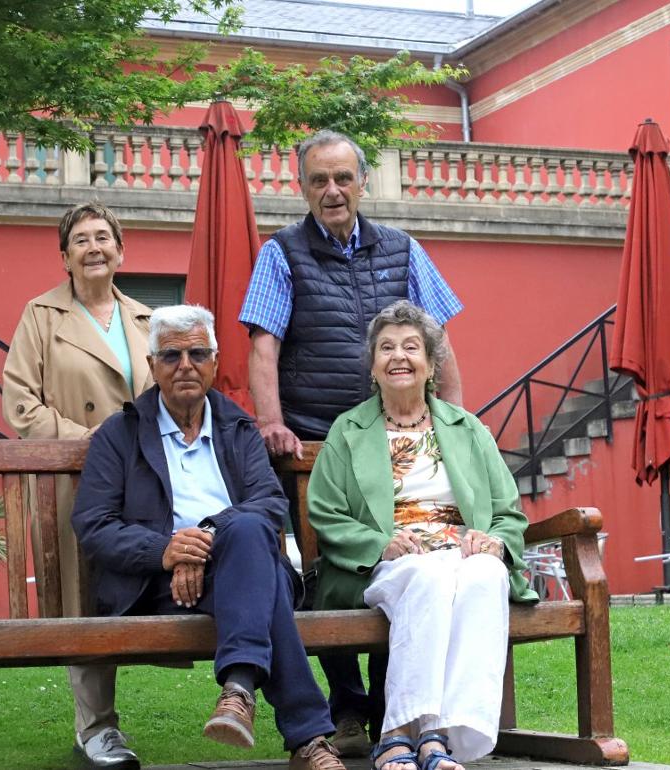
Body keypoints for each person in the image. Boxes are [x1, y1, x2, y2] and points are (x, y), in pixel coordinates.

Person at [238, 129, 466, 754]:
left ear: (363, 182)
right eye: (319, 180)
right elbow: (264, 345)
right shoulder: (281, 252)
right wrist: (270, 422)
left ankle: (395, 701)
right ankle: (346, 708)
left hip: (397, 435)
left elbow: (437, 341)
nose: (332, 191)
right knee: (328, 568)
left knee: (404, 557)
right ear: (303, 187)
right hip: (315, 444)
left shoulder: (403, 248)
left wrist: (456, 425)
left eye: (343, 178)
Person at [71, 305, 346, 770]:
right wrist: (165, 551)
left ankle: (241, 690)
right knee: (267, 583)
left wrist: (203, 539)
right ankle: (307, 737)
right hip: (157, 586)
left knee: (246, 532)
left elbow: (268, 503)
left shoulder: (238, 428)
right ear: (153, 365)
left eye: (198, 353)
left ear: (215, 362)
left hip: (233, 568)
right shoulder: (120, 434)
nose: (186, 365)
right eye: (172, 355)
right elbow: (93, 523)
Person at [305, 301, 538, 770]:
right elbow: (325, 513)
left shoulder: (467, 428)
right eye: (386, 347)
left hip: (460, 552)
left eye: (411, 347)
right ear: (372, 365)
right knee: (427, 578)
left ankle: (447, 736)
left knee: (486, 577)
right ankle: (403, 730)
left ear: (431, 365)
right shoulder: (348, 430)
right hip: (385, 562)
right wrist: (379, 543)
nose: (399, 357)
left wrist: (494, 541)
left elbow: (505, 509)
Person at [2, 201, 152, 770]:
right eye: (81, 240)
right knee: (84, 596)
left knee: (136, 588)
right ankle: (96, 728)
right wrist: (90, 443)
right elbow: (21, 403)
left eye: (103, 238)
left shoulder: (144, 318)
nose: (94, 247)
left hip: (144, 481)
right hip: (79, 477)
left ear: (120, 250)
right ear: (64, 256)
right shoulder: (40, 315)